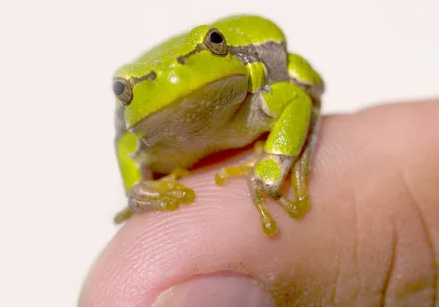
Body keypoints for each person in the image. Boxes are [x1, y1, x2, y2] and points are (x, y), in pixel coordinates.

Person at [79, 100, 439, 306]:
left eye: (215, 43)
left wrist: (274, 163)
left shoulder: (259, 93)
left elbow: (298, 95)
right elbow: (127, 145)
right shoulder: (134, 137)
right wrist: (137, 190)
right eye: (123, 90)